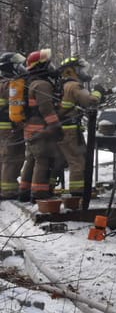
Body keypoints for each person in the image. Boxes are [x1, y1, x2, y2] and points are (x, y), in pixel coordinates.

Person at [57, 57, 104, 198]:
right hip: (70, 130)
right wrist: (98, 92)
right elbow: (90, 101)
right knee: (77, 160)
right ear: (72, 70)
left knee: (68, 159)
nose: (83, 72)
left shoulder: (63, 85)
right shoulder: (74, 86)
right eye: (80, 69)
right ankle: (78, 192)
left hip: (63, 129)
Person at [23, 49, 62, 200]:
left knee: (32, 159)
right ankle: (39, 193)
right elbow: (46, 108)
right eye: (48, 64)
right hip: (41, 129)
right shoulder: (42, 85)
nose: (51, 67)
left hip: (31, 128)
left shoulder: (31, 82)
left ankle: (24, 191)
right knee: (43, 160)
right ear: (41, 66)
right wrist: (55, 126)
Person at [0, 52, 26, 200]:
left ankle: (4, 187)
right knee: (12, 157)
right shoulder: (9, 85)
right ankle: (9, 190)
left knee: (3, 157)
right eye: (18, 65)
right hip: (9, 127)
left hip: (4, 127)